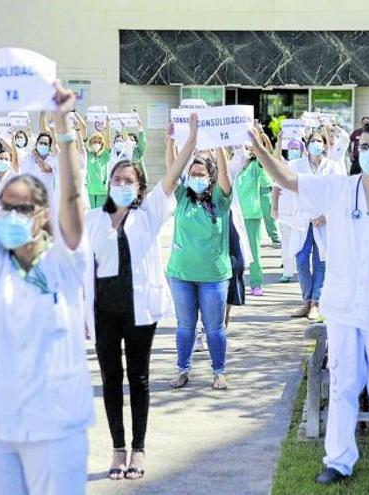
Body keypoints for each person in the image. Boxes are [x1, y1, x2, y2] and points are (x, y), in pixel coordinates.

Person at [251, 123, 369, 490]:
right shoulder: (338, 191)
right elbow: (290, 180)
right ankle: (338, 461)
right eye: (364, 145)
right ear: (356, 150)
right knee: (343, 386)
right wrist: (261, 151)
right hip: (343, 312)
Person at [0, 82, 95, 495]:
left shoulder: (65, 260)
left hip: (55, 425)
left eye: (22, 208)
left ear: (42, 214)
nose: (11, 214)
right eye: (5, 206)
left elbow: (70, 192)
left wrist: (63, 123)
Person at [83, 116, 194, 481]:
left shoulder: (148, 214)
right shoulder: (93, 220)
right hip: (103, 312)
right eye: (117, 180)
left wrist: (189, 138)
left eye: (129, 181)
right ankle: (117, 448)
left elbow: (173, 177)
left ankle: (139, 448)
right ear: (108, 183)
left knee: (140, 378)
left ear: (140, 186)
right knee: (111, 379)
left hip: (139, 311)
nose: (122, 185)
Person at [167, 145, 233, 391]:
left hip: (213, 276)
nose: (195, 178)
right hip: (181, 274)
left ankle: (219, 372)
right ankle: (182, 370)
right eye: (192, 173)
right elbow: (172, 171)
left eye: (200, 174)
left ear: (210, 176)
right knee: (185, 326)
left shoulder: (220, 199)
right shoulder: (183, 196)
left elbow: (226, 179)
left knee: (215, 328)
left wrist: (221, 151)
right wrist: (169, 142)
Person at [289, 129, 346, 320]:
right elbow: (285, 186)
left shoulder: (333, 166)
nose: (316, 144)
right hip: (304, 220)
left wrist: (327, 216)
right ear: (306, 144)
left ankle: (316, 303)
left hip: (324, 221)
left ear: (325, 144)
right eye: (312, 141)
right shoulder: (297, 165)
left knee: (321, 261)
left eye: (319, 141)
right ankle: (306, 301)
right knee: (302, 260)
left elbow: (340, 195)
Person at [234, 147, 270, 296]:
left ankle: (256, 283)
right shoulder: (232, 167)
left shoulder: (256, 166)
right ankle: (235, 284)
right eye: (242, 147)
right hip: (234, 214)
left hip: (252, 215)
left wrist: (258, 141)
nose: (245, 150)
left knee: (254, 251)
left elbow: (266, 156)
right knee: (234, 252)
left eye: (248, 148)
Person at [271, 137, 303, 284]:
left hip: (303, 212)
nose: (294, 151)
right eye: (291, 148)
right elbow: (276, 188)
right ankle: (287, 272)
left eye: (297, 148)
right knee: (286, 242)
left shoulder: (305, 166)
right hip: (285, 211)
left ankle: (302, 269)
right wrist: (275, 207)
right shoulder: (284, 166)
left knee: (301, 243)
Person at [19, 131, 60, 209]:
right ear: (36, 144)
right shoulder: (28, 157)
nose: (43, 145)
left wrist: (36, 156)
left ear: (49, 147)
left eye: (45, 144)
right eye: (41, 143)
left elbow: (44, 168)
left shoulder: (52, 160)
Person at [85, 126, 111, 208]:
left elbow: (108, 142)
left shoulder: (105, 155)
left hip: (102, 190)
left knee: (100, 214)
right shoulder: (88, 155)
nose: (96, 144)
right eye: (94, 142)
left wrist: (107, 126)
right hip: (89, 190)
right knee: (90, 214)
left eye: (99, 142)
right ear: (90, 143)